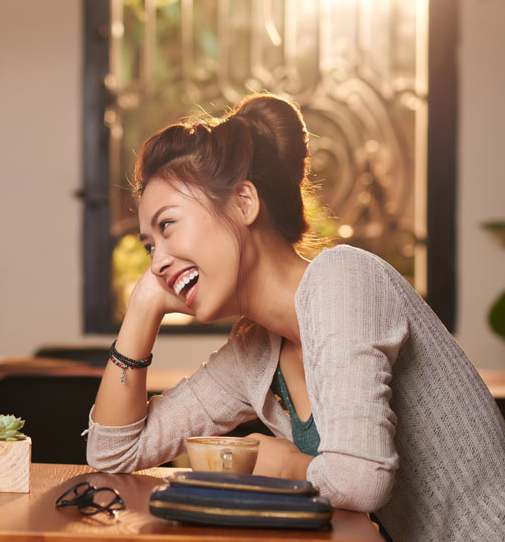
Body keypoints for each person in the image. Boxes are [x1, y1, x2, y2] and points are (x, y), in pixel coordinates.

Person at [86, 93, 505, 541]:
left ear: (245, 202)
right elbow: (113, 454)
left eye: (167, 226)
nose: (157, 262)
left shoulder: (343, 279)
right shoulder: (254, 352)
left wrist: (284, 464)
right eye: (150, 246)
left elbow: (361, 479)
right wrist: (143, 310)